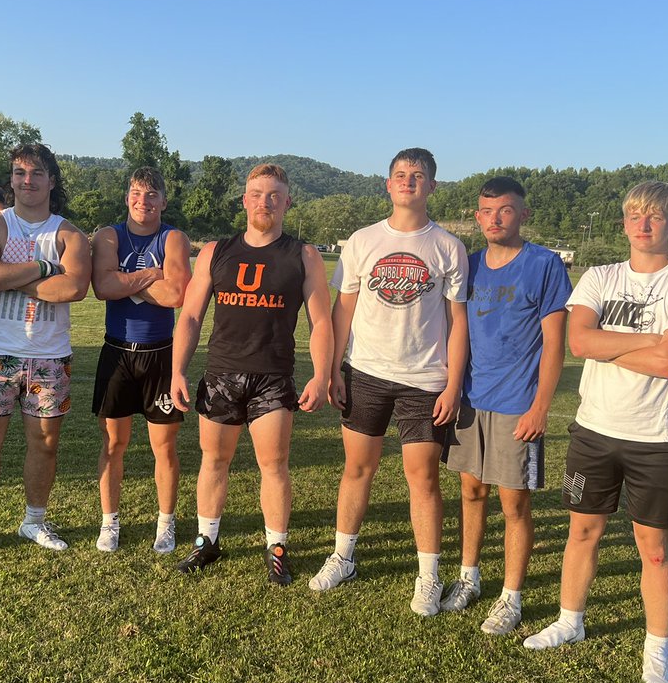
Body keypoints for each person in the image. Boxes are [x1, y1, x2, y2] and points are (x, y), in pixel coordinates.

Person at [523, 181, 668, 683]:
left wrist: (616, 346)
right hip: (595, 430)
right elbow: (579, 340)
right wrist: (649, 339)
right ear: (625, 223)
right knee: (581, 532)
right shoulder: (599, 276)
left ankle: (657, 649)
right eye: (636, 216)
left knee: (654, 549)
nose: (644, 224)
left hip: (656, 437)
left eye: (656, 217)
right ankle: (571, 620)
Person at [308, 148, 469, 617]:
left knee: (423, 479)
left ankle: (428, 576)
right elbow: (344, 308)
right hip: (366, 372)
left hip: (425, 379)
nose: (408, 181)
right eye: (400, 174)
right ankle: (343, 557)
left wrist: (453, 384)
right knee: (357, 469)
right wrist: (333, 368)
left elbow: (458, 322)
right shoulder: (362, 240)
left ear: (432, 187)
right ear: (388, 183)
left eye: (418, 176)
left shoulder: (447, 246)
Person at [170, 163, 332, 584]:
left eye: (275, 195)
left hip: (273, 378)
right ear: (244, 200)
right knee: (214, 460)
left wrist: (320, 376)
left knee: (274, 464)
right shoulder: (215, 251)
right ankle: (207, 541)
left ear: (287, 202)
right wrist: (178, 371)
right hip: (222, 373)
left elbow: (321, 323)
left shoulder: (304, 254)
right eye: (257, 193)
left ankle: (276, 546)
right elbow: (189, 315)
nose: (265, 201)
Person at [440, 177, 571, 634]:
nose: (495, 219)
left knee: (515, 505)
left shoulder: (545, 265)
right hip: (472, 401)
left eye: (506, 210)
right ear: (477, 216)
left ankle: (511, 598)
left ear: (523, 215)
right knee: (471, 493)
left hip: (519, 405)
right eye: (486, 211)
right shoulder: (470, 265)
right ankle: (469, 578)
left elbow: (555, 344)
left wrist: (540, 407)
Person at [0, 143, 90, 561]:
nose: (27, 181)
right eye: (19, 172)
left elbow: (74, 289)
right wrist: (46, 269)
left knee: (45, 444)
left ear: (51, 180)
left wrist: (10, 278)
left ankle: (34, 520)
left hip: (49, 356)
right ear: (11, 178)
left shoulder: (69, 233)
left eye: (36, 173)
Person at [90, 167, 191, 553]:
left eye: (151, 195)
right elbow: (102, 287)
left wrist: (125, 280)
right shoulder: (108, 235)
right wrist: (152, 274)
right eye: (136, 193)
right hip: (117, 352)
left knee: (163, 447)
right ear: (127, 196)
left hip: (160, 355)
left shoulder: (174, 238)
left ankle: (166, 522)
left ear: (163, 201)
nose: (142, 201)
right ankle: (109, 521)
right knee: (114, 443)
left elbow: (177, 295)